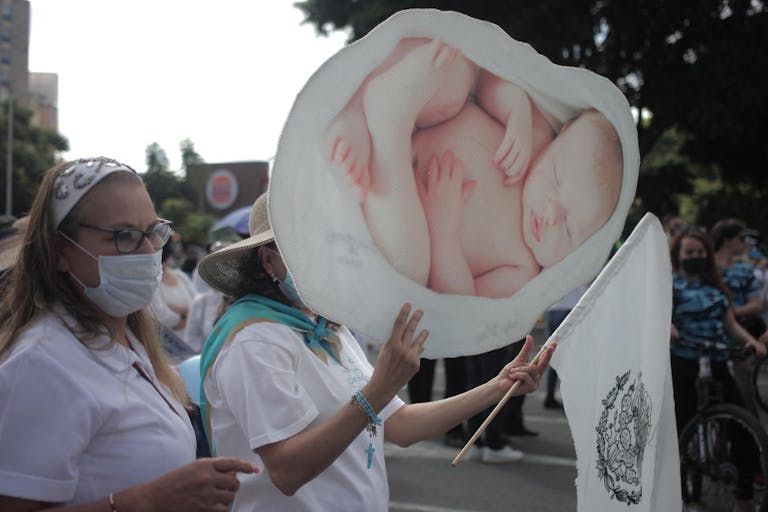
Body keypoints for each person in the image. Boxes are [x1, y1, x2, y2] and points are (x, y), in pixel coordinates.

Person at [196, 192, 555, 511]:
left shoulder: (325, 326)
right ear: (268, 261)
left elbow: (399, 425)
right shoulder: (255, 340)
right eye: (303, 245)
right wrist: (378, 390)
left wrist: (498, 387)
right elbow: (287, 470)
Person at [0, 157, 254, 511]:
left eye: (153, 231)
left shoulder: (129, 341)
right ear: (61, 252)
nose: (149, 251)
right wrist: (148, 500)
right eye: (124, 236)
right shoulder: (41, 363)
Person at [669, 230, 766, 510]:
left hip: (717, 361)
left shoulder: (715, 285)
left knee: (744, 429)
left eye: (700, 253)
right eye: (689, 253)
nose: (695, 257)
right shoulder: (669, 286)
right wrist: (669, 327)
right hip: (684, 363)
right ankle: (677, 494)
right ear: (678, 256)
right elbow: (658, 316)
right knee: (677, 433)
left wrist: (751, 343)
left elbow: (730, 324)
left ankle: (744, 497)